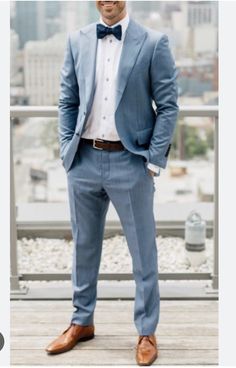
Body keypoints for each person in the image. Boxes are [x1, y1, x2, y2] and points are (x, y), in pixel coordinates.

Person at [45, 1, 179, 365]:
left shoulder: (154, 42)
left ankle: (146, 331)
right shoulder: (77, 40)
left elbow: (168, 105)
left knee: (142, 252)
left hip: (130, 162)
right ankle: (81, 321)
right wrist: (66, 151)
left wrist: (152, 161)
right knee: (83, 247)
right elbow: (67, 100)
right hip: (83, 161)